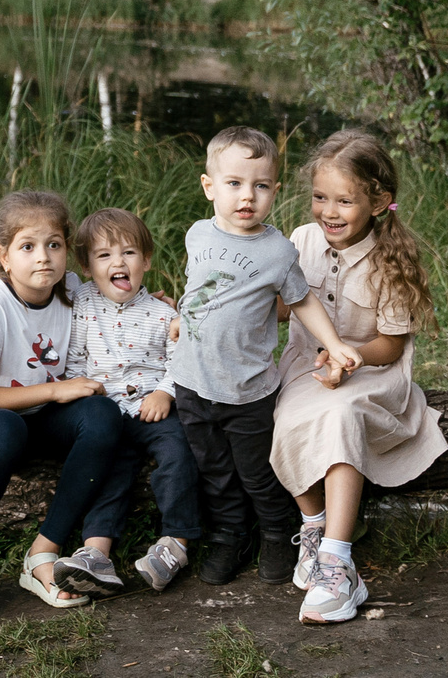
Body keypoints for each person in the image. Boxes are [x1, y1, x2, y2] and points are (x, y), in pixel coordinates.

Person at [172, 127, 360, 587]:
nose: (247, 197)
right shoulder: (197, 234)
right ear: (209, 186)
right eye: (234, 184)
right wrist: (183, 315)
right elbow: (199, 287)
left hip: (247, 390)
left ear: (274, 191)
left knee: (258, 472)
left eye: (260, 186)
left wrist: (333, 344)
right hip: (192, 382)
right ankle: (229, 535)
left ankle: (278, 532)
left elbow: (302, 301)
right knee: (214, 470)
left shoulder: (277, 251)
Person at [272, 129, 446, 625]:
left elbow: (390, 343)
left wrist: (350, 358)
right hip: (308, 366)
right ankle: (315, 526)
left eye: (344, 200)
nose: (329, 211)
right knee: (282, 417)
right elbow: (284, 309)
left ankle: (338, 563)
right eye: (320, 197)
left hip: (372, 373)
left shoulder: (391, 260)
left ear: (378, 201)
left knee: (340, 414)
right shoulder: (301, 241)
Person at [0, 190, 125, 623]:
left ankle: (43, 553)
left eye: (54, 245)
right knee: (5, 428)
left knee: (102, 415)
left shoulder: (73, 290)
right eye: (28, 247)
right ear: (4, 256)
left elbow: (124, 304)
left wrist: (161, 310)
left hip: (42, 424)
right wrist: (54, 391)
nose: (44, 258)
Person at [64, 207, 202, 594]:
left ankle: (175, 541)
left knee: (178, 452)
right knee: (110, 468)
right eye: (104, 255)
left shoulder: (163, 314)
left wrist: (165, 392)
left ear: (146, 261)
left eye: (128, 253)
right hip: (107, 411)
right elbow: (75, 355)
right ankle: (96, 552)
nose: (117, 262)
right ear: (88, 266)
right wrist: (79, 386)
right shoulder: (82, 302)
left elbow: (179, 361)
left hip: (151, 407)